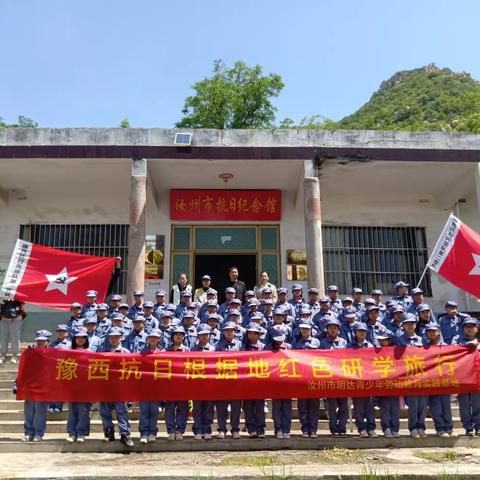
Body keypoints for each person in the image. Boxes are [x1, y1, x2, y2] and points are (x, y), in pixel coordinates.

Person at [99, 327, 134, 447]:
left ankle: (125, 434)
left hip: (120, 387)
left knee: (121, 411)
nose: (114, 339)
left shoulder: (126, 352)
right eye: (111, 337)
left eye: (116, 337)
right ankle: (109, 433)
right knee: (104, 411)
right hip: (105, 386)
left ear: (121, 338)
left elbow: (130, 371)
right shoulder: (103, 351)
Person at [397, 314, 428, 439]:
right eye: (407, 324)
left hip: (422, 376)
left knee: (423, 404)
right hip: (408, 378)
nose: (410, 326)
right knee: (413, 405)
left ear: (415, 325)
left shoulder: (422, 339)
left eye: (412, 323)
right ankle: (413, 428)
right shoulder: (399, 340)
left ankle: (421, 427)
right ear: (403, 325)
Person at [423, 323, 454, 438]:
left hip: (445, 380)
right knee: (435, 406)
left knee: (446, 406)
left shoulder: (447, 347)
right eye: (429, 331)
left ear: (439, 332)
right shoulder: (424, 348)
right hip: (431, 381)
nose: (431, 333)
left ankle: (449, 428)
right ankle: (440, 428)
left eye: (433, 330)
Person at [320, 318, 349, 437]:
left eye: (335, 328)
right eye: (330, 328)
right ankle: (333, 428)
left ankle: (342, 428)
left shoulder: (344, 342)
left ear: (338, 330)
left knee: (344, 406)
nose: (333, 330)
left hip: (342, 378)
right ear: (327, 330)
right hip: (329, 379)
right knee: (332, 407)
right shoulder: (322, 343)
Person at [292, 321, 320, 438]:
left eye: (307, 329)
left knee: (314, 406)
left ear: (311, 330)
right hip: (301, 379)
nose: (304, 331)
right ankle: (305, 429)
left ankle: (313, 429)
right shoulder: (295, 343)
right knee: (302, 406)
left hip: (314, 378)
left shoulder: (317, 342)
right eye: (302, 329)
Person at [452, 317, 480, 436]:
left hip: (477, 378)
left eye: (472, 326)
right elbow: (452, 354)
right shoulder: (456, 341)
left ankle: (478, 426)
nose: (469, 329)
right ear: (463, 328)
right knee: (463, 405)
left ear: (477, 328)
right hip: (462, 378)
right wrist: (466, 347)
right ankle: (468, 427)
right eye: (467, 326)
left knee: (477, 404)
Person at [349, 323, 377, 438]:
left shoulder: (370, 345)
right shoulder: (350, 346)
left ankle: (371, 428)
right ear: (355, 332)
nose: (362, 333)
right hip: (356, 380)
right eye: (359, 331)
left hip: (368, 380)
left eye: (364, 331)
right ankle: (361, 428)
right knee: (358, 406)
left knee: (369, 406)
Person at [215, 322, 243, 439]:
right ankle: (222, 429)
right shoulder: (218, 345)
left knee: (236, 407)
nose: (229, 333)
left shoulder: (241, 345)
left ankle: (235, 429)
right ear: (223, 332)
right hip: (222, 381)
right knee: (221, 407)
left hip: (236, 382)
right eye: (227, 331)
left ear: (235, 332)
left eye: (231, 331)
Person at [20, 333, 49, 441]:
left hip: (43, 387)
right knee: (29, 411)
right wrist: (17, 383)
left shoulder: (52, 354)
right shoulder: (30, 353)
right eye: (39, 341)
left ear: (47, 342)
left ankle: (39, 433)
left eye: (43, 340)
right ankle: (28, 432)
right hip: (30, 386)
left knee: (40, 411)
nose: (40, 343)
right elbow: (22, 369)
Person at [66, 328, 92, 443]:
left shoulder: (91, 352)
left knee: (83, 410)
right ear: (74, 339)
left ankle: (81, 433)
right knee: (72, 411)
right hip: (72, 385)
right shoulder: (69, 352)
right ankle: (72, 433)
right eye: (78, 338)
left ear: (86, 339)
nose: (80, 340)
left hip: (85, 386)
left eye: (82, 338)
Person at [164, 326, 190, 440]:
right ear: (172, 337)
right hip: (169, 384)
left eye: (181, 334)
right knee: (169, 408)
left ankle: (180, 430)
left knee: (182, 408)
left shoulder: (187, 350)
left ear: (184, 337)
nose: (178, 336)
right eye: (176, 334)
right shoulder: (166, 351)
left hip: (183, 384)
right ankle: (171, 430)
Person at [191, 324, 215, 440]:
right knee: (197, 408)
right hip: (196, 383)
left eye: (206, 334)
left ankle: (207, 429)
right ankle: (198, 430)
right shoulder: (193, 350)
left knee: (208, 408)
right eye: (202, 335)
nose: (204, 337)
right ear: (198, 336)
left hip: (209, 384)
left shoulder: (213, 349)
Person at [139, 329, 163, 444]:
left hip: (157, 387)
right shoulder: (142, 352)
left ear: (159, 339)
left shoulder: (163, 352)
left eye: (155, 337)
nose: (153, 339)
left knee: (154, 411)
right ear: (148, 339)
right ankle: (144, 433)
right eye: (151, 337)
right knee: (144, 411)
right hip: (144, 386)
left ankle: (152, 432)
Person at [243, 324, 266, 438]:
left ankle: (261, 429)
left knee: (260, 407)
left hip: (260, 382)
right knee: (248, 407)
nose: (252, 335)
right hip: (246, 382)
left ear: (259, 335)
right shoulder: (243, 347)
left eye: (255, 333)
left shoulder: (264, 347)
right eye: (250, 333)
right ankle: (251, 428)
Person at [376, 332, 400, 438]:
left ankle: (395, 429)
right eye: (379, 340)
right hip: (382, 384)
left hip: (394, 384)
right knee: (385, 407)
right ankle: (386, 428)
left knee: (395, 408)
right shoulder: (374, 352)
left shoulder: (395, 351)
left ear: (389, 340)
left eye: (384, 340)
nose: (381, 342)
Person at [270, 331, 292, 439]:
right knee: (277, 408)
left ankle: (286, 430)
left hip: (287, 381)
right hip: (275, 382)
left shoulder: (289, 347)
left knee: (287, 407)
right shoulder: (269, 348)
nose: (279, 341)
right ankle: (278, 429)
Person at [48, 324, 72, 413]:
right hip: (54, 369)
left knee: (61, 388)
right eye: (59, 332)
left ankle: (58, 405)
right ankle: (51, 404)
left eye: (62, 331)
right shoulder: (52, 344)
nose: (60, 333)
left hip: (65, 369)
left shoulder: (70, 344)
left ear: (67, 333)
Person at [0, 295, 26, 364]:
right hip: (4, 318)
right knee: (4, 337)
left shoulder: (18, 293)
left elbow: (22, 306)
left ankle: (14, 355)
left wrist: (18, 317)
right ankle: (3, 355)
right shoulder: (3, 292)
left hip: (16, 318)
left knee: (15, 337)